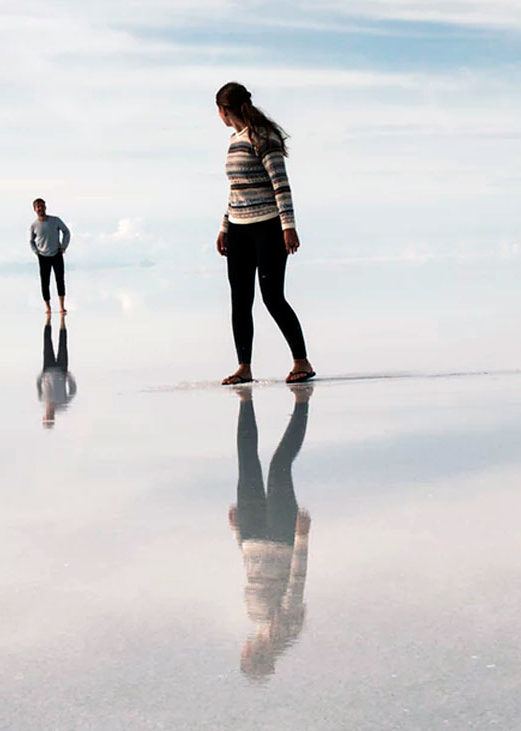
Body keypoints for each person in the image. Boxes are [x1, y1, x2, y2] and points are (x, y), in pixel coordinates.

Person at [214, 82, 315, 385]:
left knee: (272, 296)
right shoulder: (235, 140)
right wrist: (224, 226)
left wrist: (288, 226)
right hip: (238, 229)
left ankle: (302, 361)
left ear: (223, 110)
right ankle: (244, 367)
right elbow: (235, 190)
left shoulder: (263, 137)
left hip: (268, 227)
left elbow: (280, 183)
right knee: (240, 300)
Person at [228, 384, 313, 681]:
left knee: (246, 461)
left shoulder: (256, 621)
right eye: (246, 655)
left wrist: (238, 533)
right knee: (279, 467)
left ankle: (245, 403)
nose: (244, 649)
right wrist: (302, 538)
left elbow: (253, 574)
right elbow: (296, 583)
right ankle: (302, 406)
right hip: (280, 537)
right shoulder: (284, 631)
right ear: (256, 657)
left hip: (252, 536)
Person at [29, 198, 71, 314]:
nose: (40, 209)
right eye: (38, 207)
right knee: (45, 281)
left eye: (42, 206)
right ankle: (48, 307)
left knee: (60, 279)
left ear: (45, 207)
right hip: (43, 256)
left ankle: (62, 306)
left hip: (56, 253)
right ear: (35, 209)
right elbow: (31, 241)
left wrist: (63, 246)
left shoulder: (55, 220)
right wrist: (36, 251)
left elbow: (66, 232)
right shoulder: (34, 225)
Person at [37, 312, 76, 428]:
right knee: (63, 343)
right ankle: (62, 321)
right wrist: (68, 376)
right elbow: (72, 391)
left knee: (47, 341)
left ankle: (48, 320)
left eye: (46, 417)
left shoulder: (42, 400)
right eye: (49, 417)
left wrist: (41, 375)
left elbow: (38, 386)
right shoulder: (62, 404)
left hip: (48, 368)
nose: (48, 415)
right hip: (61, 370)